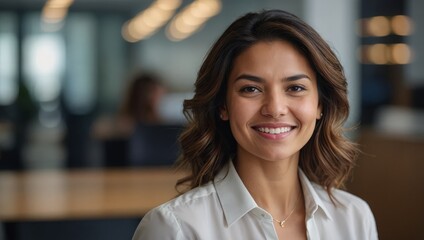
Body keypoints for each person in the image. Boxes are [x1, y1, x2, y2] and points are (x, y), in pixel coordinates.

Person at [132, 9, 378, 240]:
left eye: (295, 88)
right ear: (223, 106)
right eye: (251, 89)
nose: (274, 108)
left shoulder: (354, 218)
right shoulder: (175, 228)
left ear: (320, 105)